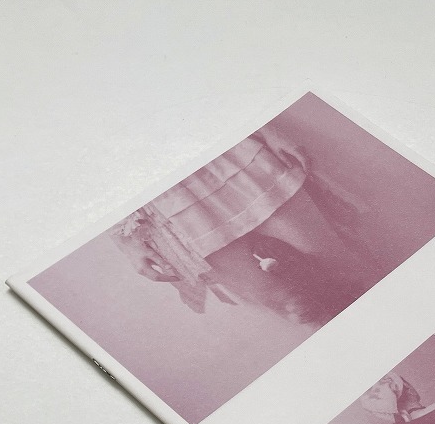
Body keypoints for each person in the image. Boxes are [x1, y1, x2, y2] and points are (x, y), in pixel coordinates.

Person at [112, 130, 378, 325]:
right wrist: (125, 242)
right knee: (292, 306)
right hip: (163, 205)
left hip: (227, 157)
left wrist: (268, 130)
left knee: (344, 272)